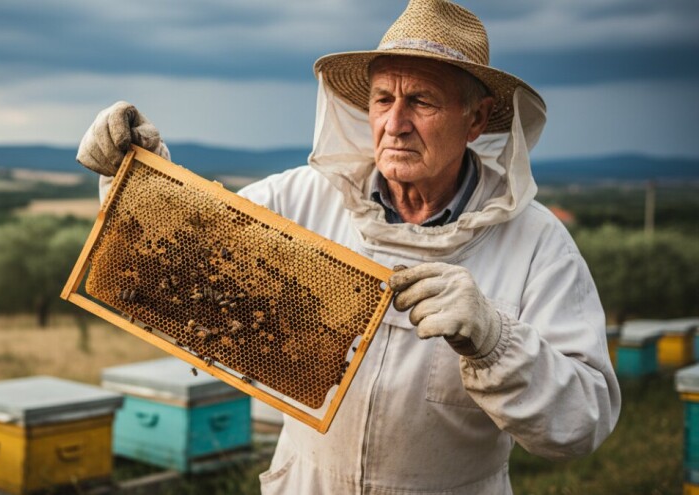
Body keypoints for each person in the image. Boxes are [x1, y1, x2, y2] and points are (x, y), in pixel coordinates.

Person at [76, 0, 621, 493]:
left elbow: (582, 425)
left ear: (475, 120)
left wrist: (495, 339)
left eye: (422, 101)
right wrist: (136, 174)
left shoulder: (536, 244)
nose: (395, 123)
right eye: (383, 99)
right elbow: (185, 263)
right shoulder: (298, 199)